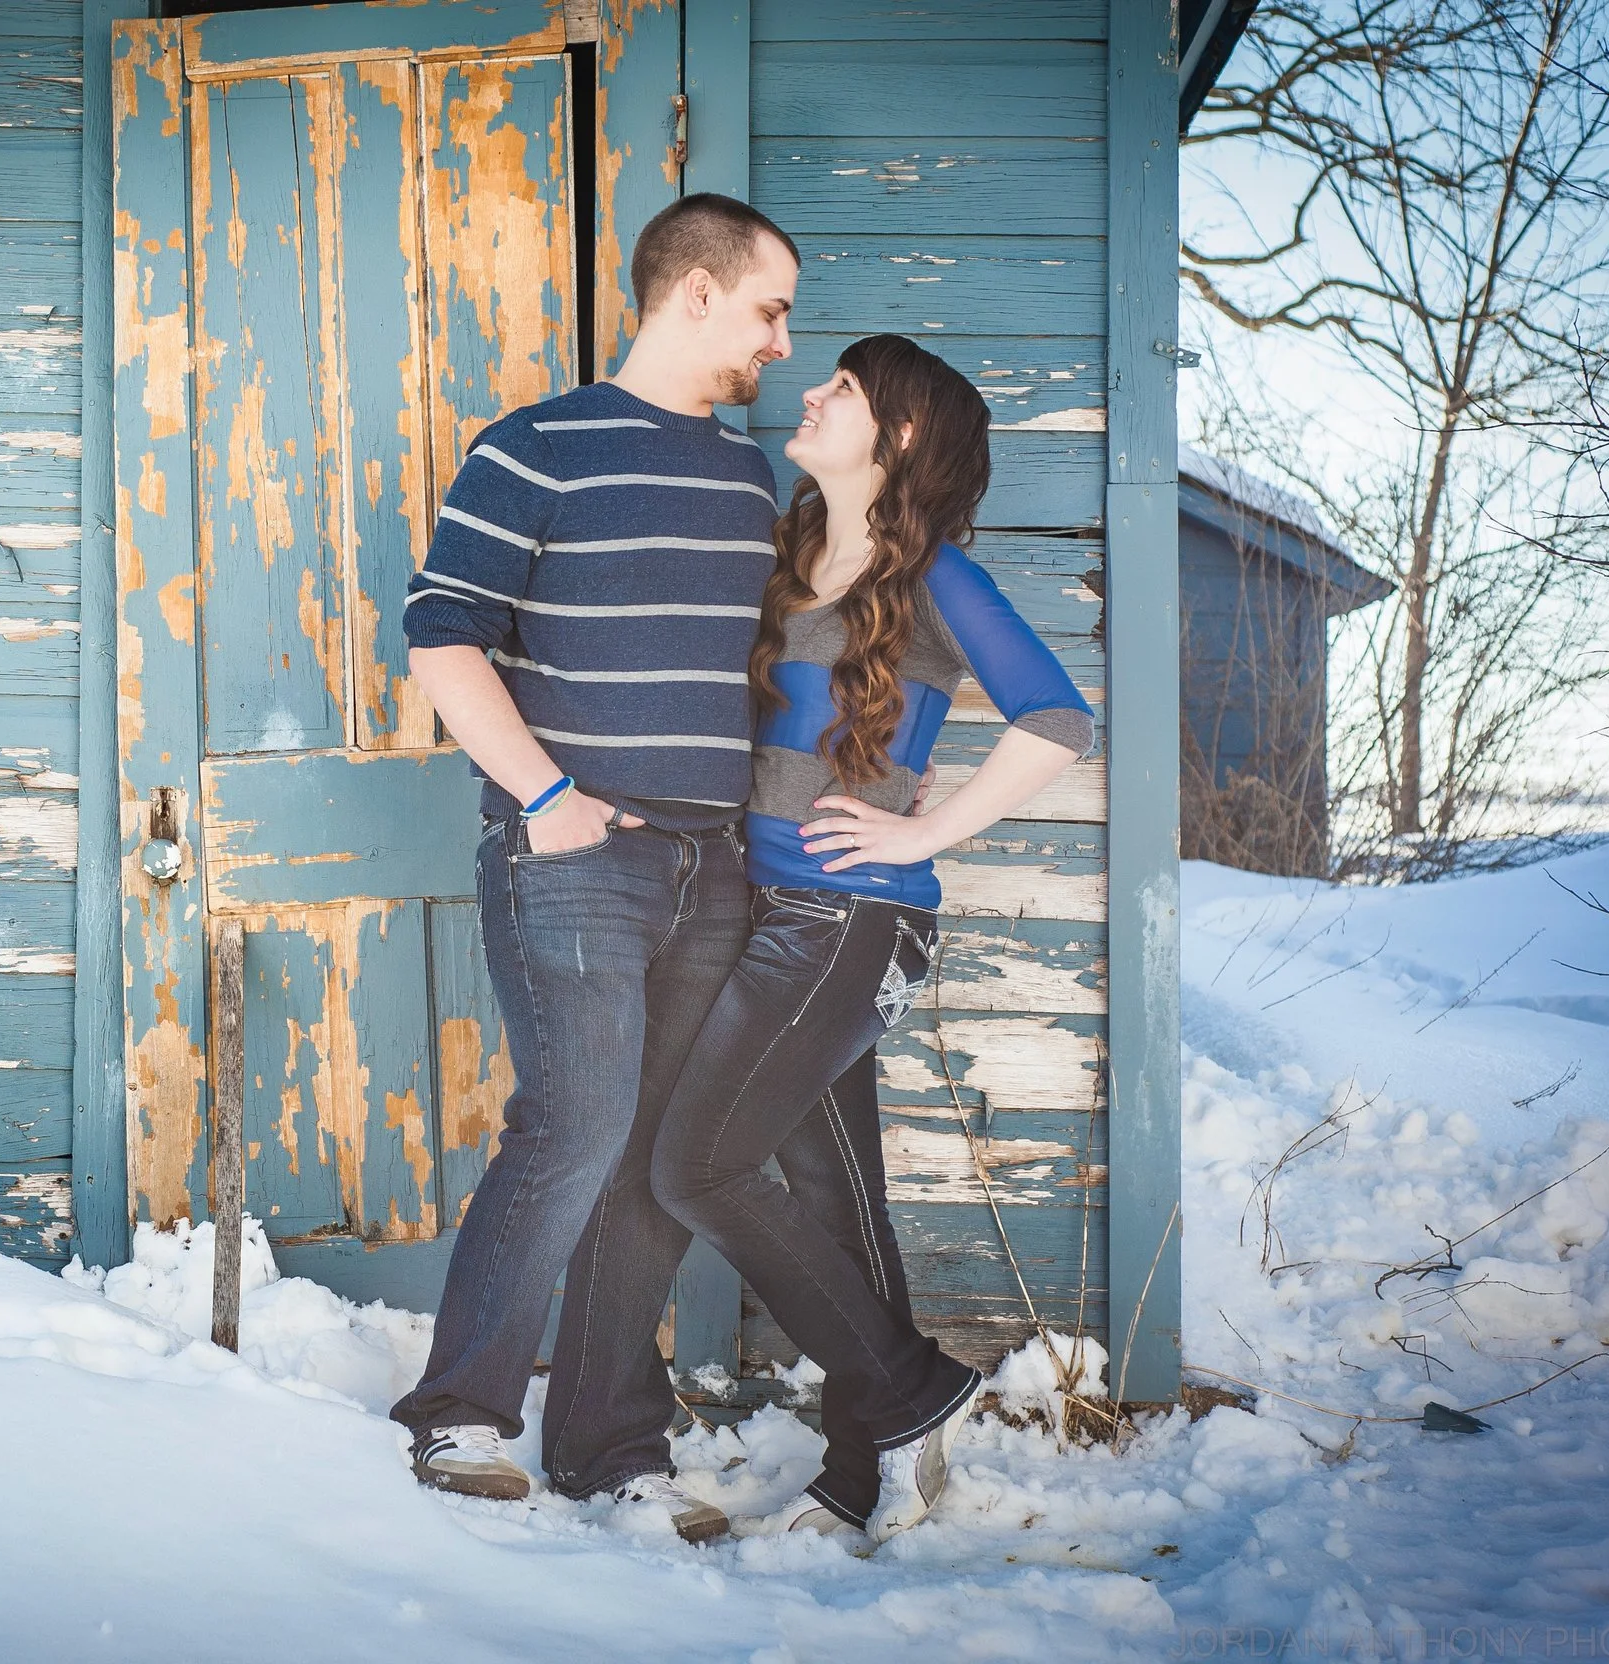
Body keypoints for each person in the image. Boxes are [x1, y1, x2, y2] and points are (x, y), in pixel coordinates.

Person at [389, 194, 800, 1541]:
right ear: (692, 292)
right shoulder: (535, 450)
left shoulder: (749, 481)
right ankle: (457, 1412)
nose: (780, 342)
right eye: (768, 309)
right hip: (577, 859)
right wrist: (547, 795)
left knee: (652, 1160)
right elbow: (441, 637)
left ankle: (611, 1446)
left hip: (714, 868)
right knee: (573, 1126)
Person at [647, 333, 1095, 1547]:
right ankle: (871, 1466)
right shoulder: (794, 557)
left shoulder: (937, 574)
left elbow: (1056, 715)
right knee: (837, 1197)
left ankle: (905, 1386)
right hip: (772, 912)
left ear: (895, 434)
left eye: (840, 387)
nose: (812, 391)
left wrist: (924, 828)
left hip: (849, 920)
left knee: (695, 1168)